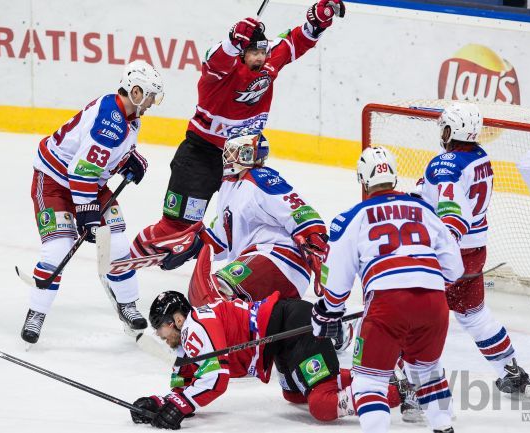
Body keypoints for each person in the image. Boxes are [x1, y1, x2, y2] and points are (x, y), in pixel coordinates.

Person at [130, 1, 346, 261]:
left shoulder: (268, 65)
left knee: (249, 224)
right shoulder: (219, 74)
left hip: (245, 160)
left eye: (262, 51)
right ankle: (127, 259)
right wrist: (232, 41)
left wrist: (316, 23)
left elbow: (294, 42)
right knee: (178, 229)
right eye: (252, 52)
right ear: (241, 53)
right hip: (202, 156)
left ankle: (246, 276)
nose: (259, 57)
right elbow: (214, 60)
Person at [312, 146, 463, 433]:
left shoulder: (351, 217)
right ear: (393, 176)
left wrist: (327, 313)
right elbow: (454, 268)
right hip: (434, 303)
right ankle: (443, 427)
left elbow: (336, 282)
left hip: (387, 303)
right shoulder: (425, 210)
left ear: (363, 180)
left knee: (369, 382)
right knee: (428, 371)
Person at [21, 60, 164, 344]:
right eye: (149, 95)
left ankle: (127, 303)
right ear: (135, 92)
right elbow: (81, 170)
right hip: (53, 183)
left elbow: (98, 159)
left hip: (88, 183)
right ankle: (36, 312)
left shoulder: (126, 114)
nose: (151, 103)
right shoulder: (111, 120)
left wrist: (127, 161)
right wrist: (88, 214)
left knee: (118, 243)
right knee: (57, 250)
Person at [130, 290, 408, 429]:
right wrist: (160, 404)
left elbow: (215, 379)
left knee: (322, 405)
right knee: (294, 395)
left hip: (291, 326)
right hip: (281, 340)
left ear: (177, 319)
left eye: (162, 327)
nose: (160, 335)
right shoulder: (189, 337)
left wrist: (181, 404)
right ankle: (377, 377)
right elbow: (186, 384)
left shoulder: (194, 326)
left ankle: (402, 393)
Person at [418, 103, 530, 395]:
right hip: (475, 251)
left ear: (452, 130)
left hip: (447, 252)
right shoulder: (481, 157)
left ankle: (411, 385)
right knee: (473, 315)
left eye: (445, 127)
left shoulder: (445, 164)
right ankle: (510, 369)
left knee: (412, 314)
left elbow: (451, 215)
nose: (441, 133)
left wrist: (442, 254)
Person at [160, 130, 329, 308]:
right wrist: (189, 248)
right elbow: (219, 241)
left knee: (217, 289)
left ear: (248, 154)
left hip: (279, 260)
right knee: (208, 297)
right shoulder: (228, 187)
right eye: (227, 151)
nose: (227, 156)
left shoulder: (261, 177)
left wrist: (314, 241)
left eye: (233, 151)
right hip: (259, 265)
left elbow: (298, 209)